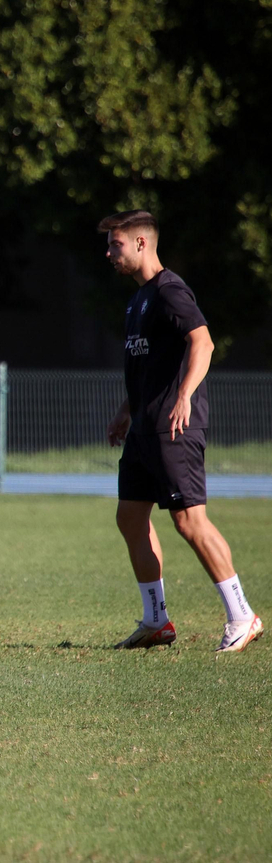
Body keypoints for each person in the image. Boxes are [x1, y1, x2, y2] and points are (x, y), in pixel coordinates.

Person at [101, 210, 262, 652]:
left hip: (173, 426)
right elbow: (148, 365)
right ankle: (157, 621)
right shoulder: (138, 300)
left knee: (190, 521)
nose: (108, 253)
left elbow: (203, 341)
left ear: (140, 244)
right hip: (144, 428)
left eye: (115, 244)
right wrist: (125, 412)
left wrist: (186, 394)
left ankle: (241, 615)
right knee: (130, 517)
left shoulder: (170, 290)